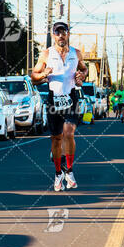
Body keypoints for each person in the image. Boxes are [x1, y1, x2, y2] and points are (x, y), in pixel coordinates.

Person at [31, 21, 88, 191]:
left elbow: (84, 70)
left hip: (71, 97)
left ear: (68, 34)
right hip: (53, 99)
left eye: (64, 32)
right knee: (56, 138)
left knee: (69, 133)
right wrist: (43, 74)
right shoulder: (46, 54)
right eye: (58, 32)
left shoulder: (75, 53)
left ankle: (69, 170)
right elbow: (34, 76)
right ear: (53, 35)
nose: (61, 36)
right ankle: (58, 173)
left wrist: (81, 76)